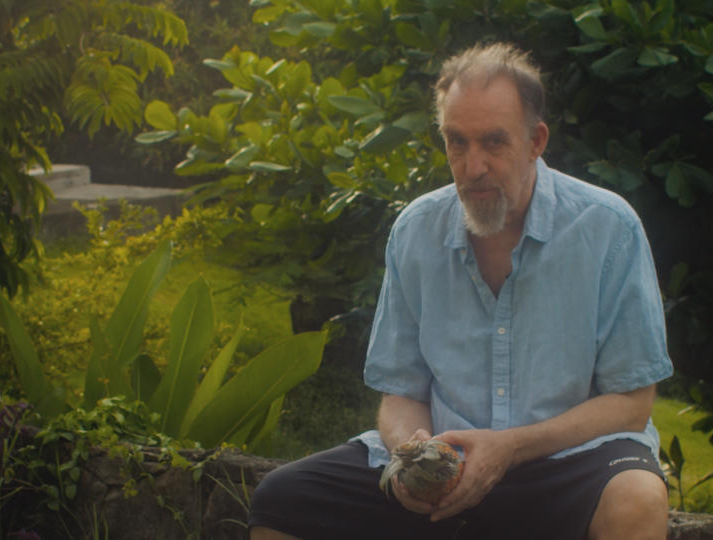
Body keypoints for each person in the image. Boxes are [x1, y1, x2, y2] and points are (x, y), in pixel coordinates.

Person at [249, 42, 674, 540]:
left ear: (536, 140)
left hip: (568, 462)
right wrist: (414, 456)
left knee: (638, 502)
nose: (473, 167)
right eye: (457, 142)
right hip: (445, 470)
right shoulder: (415, 231)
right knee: (283, 500)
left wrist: (510, 447)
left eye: (494, 142)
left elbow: (632, 403)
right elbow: (400, 393)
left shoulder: (607, 227)